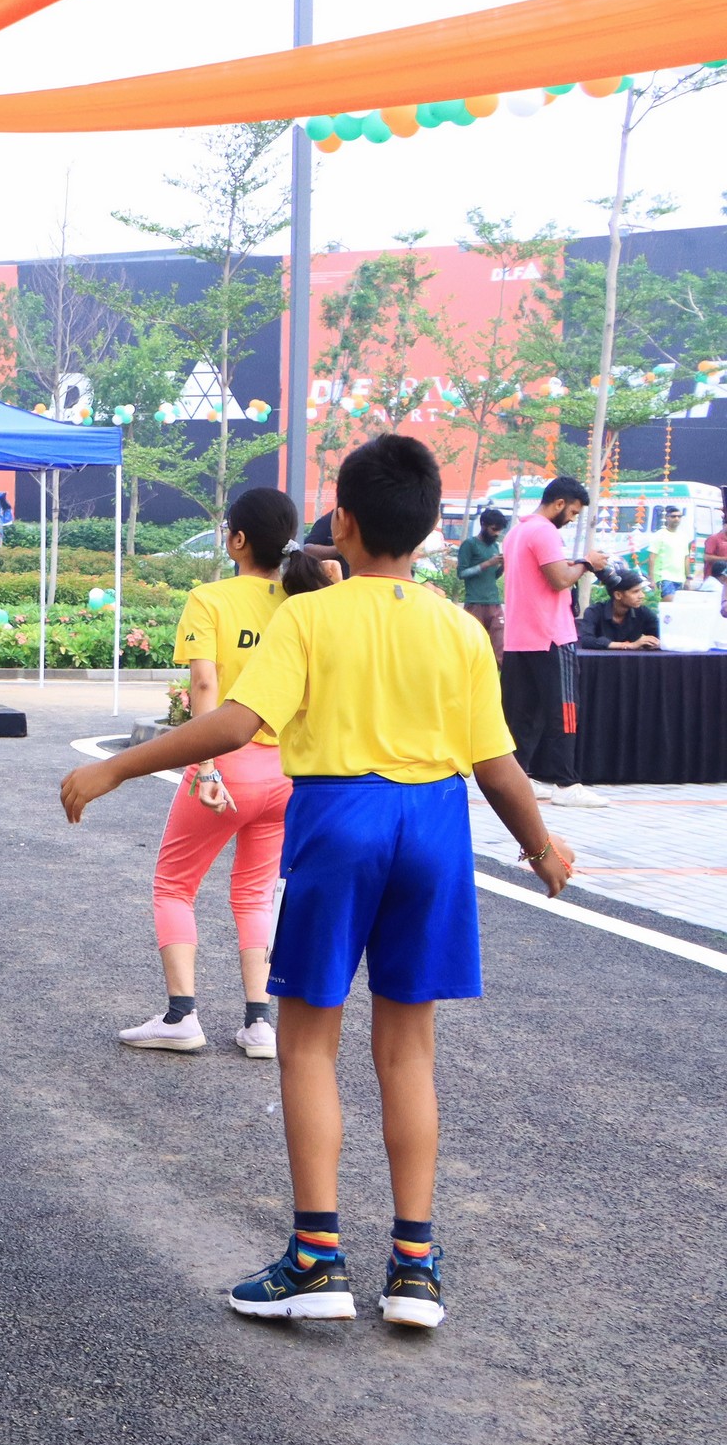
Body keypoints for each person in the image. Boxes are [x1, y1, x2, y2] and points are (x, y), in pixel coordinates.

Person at [63, 434, 573, 1334]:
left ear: (344, 522)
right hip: (435, 825)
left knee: (307, 1043)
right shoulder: (458, 627)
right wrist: (541, 848)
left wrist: (115, 768)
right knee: (409, 1050)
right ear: (429, 529)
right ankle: (414, 1271)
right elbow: (496, 763)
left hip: (341, 819)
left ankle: (315, 1259)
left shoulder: (310, 618)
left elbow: (236, 723)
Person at [118, 487, 326, 1058]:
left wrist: (205, 765)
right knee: (255, 894)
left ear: (236, 540)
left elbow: (205, 684)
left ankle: (181, 1015)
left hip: (228, 763)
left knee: (174, 884)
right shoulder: (303, 601)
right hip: (285, 772)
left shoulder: (209, 599)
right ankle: (259, 1023)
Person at [498, 476, 612, 809]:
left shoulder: (517, 532)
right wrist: (587, 563)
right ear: (559, 503)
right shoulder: (545, 531)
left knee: (523, 715)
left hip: (519, 637)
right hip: (551, 635)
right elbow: (560, 579)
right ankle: (566, 783)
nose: (572, 519)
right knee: (565, 710)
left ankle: (519, 778)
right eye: (573, 512)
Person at [455, 507, 508, 657]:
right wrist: (488, 563)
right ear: (483, 524)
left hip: (494, 602)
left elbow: (492, 576)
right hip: (475, 602)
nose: (496, 534)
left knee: (500, 647)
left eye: (499, 530)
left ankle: (500, 671)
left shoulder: (494, 546)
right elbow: (462, 573)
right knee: (473, 647)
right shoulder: (470, 544)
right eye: (494, 529)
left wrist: (503, 566)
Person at [579, 566, 661, 649]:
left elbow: (661, 634)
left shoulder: (642, 612)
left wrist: (653, 643)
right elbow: (586, 641)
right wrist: (629, 645)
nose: (642, 596)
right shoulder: (595, 611)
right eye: (635, 592)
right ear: (618, 595)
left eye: (641, 591)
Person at [643, 508, 689, 600]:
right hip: (664, 578)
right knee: (669, 604)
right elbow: (652, 558)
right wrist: (651, 579)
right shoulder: (659, 535)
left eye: (679, 516)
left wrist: (688, 578)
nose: (676, 519)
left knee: (677, 605)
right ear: (667, 518)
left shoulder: (683, 536)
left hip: (680, 579)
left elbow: (686, 558)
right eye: (673, 516)